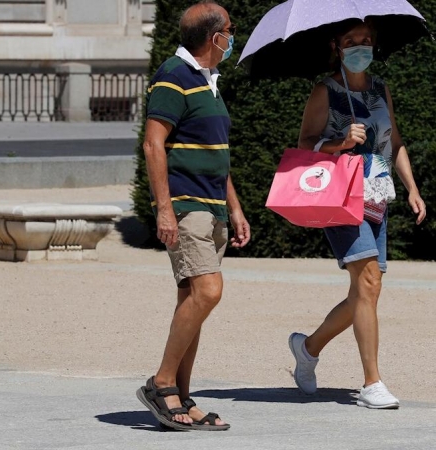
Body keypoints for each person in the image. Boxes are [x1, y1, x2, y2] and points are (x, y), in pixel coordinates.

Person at [289, 19, 426, 409]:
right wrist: (340, 141)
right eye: (352, 41)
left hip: (377, 191)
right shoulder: (325, 90)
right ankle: (372, 383)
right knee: (366, 282)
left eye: (366, 40)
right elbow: (305, 145)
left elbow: (394, 141)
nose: (360, 46)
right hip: (339, 194)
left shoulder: (381, 89)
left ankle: (308, 348)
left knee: (367, 289)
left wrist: (412, 188)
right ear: (337, 45)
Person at [136, 0, 250, 431]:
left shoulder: (209, 81)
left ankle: (180, 396)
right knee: (208, 291)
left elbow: (217, 155)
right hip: (187, 207)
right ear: (213, 36)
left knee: (193, 300)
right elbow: (153, 145)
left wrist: (235, 208)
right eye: (230, 30)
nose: (232, 37)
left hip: (213, 206)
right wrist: (164, 209)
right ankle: (161, 382)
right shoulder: (173, 76)